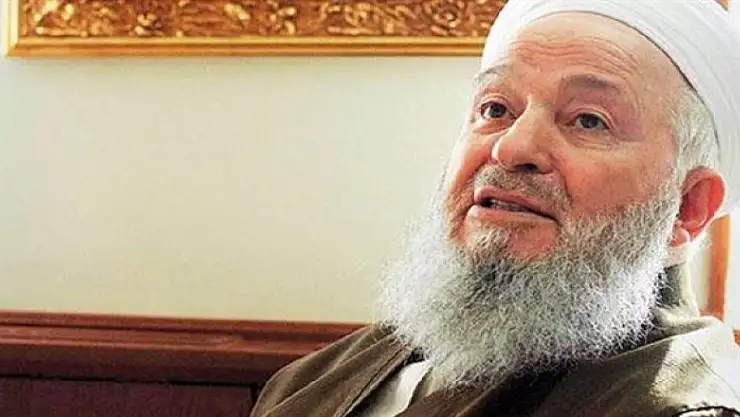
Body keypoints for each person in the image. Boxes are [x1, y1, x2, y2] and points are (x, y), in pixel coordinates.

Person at [250, 1, 740, 416]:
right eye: (496, 109)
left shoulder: (674, 406)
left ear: (687, 207)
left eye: (589, 120)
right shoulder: (314, 377)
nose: (511, 148)